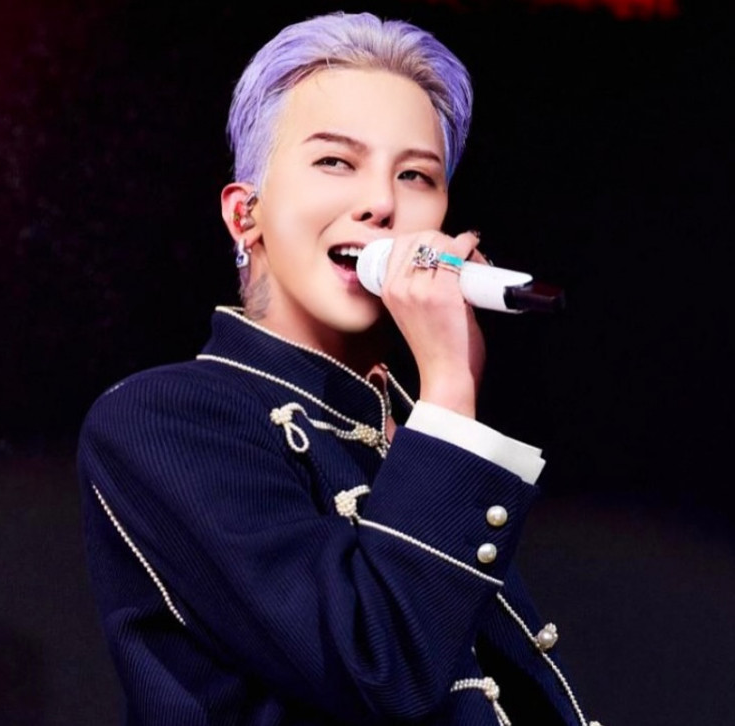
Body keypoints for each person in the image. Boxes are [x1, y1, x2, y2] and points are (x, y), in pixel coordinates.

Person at [78, 11, 601, 726]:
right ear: (245, 215)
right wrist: (450, 387)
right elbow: (378, 665)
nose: (381, 203)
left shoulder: (406, 428)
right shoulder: (164, 419)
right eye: (335, 162)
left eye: (415, 175)